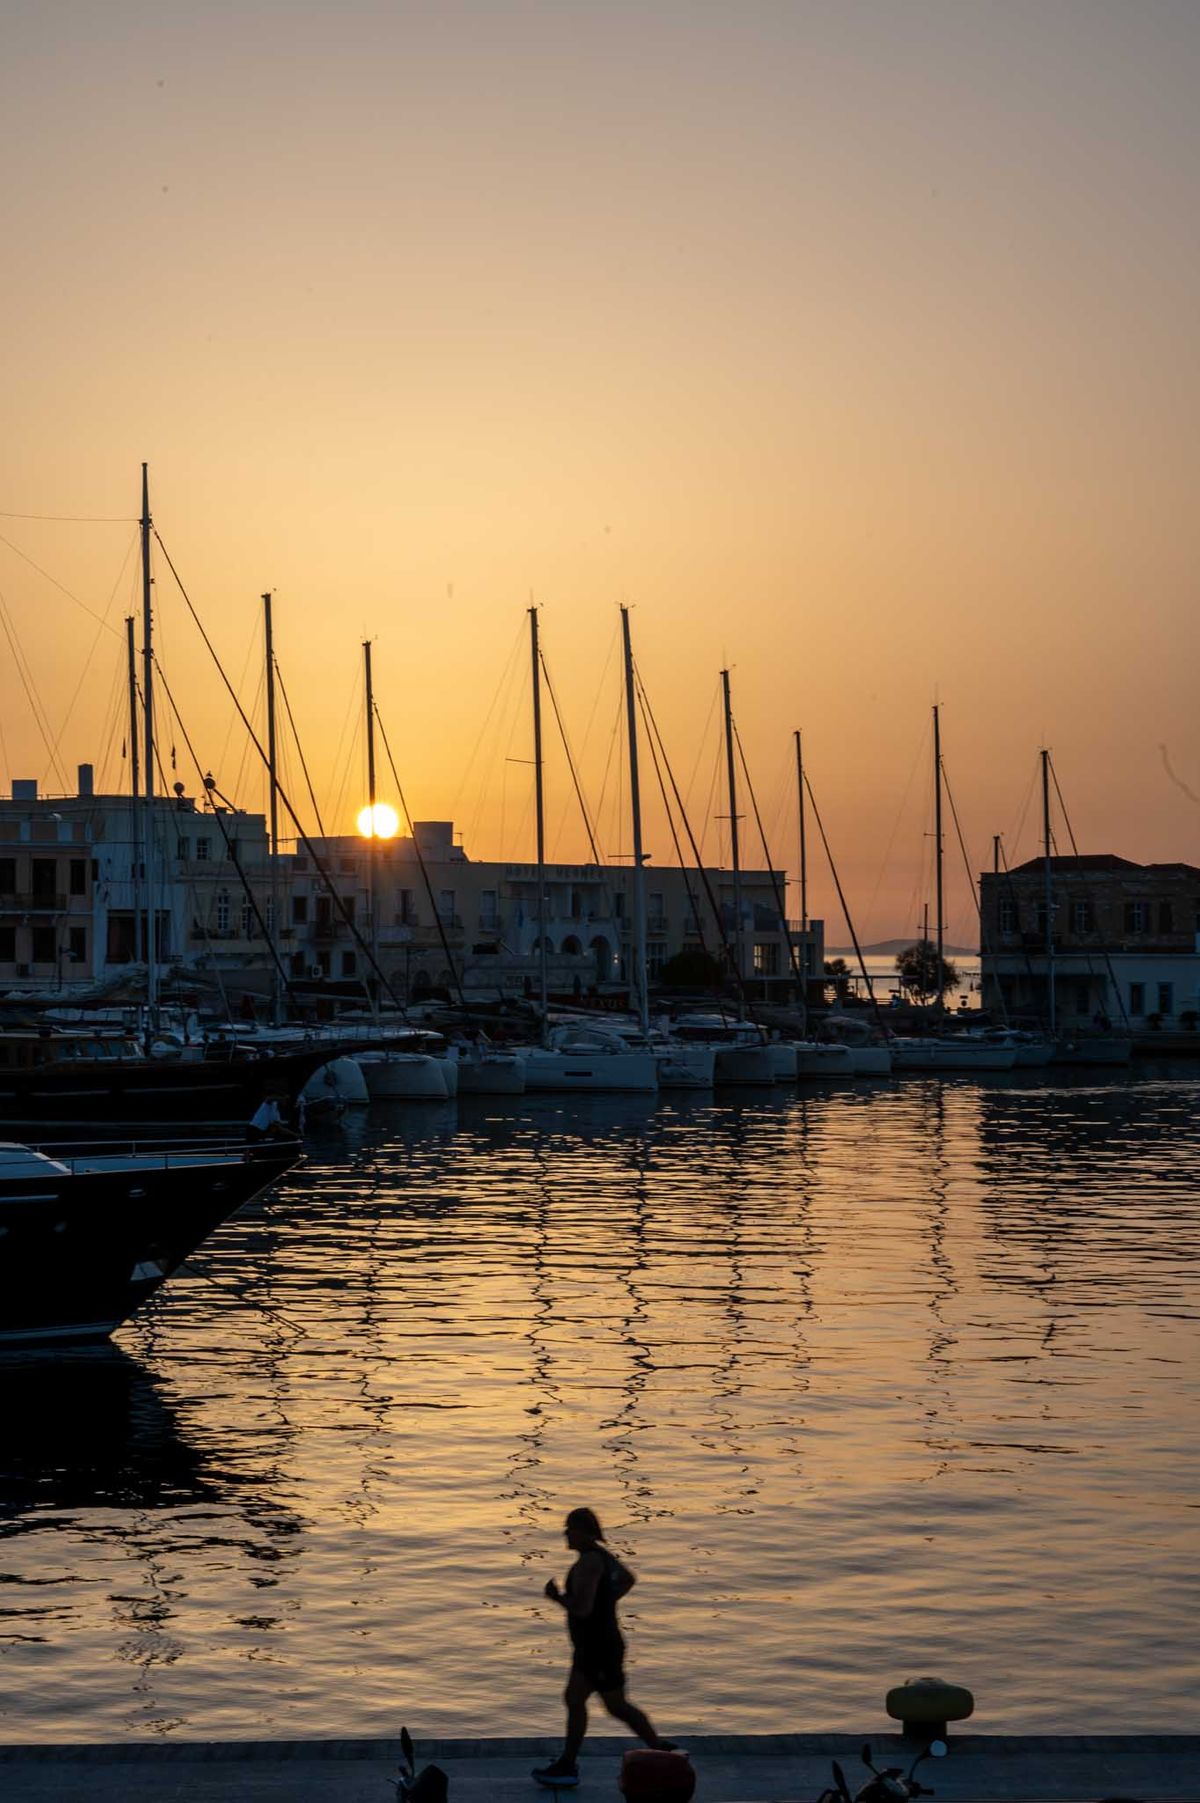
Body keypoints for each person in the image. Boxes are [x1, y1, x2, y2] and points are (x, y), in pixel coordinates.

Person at [533, 1507, 674, 1789]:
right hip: (599, 1645)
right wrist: (607, 1601)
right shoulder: (604, 1558)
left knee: (611, 1705)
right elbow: (628, 1579)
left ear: (584, 1532)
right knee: (584, 1700)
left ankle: (570, 1766)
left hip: (597, 1647)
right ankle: (660, 1750)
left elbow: (582, 1609)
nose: (565, 1534)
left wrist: (556, 1597)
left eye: (570, 1528)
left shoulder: (588, 1563)